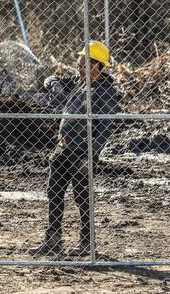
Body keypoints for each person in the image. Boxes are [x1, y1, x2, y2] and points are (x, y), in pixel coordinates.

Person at [29, 41, 119, 257]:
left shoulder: (105, 93)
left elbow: (104, 130)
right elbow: (49, 79)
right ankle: (53, 241)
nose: (78, 69)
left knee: (82, 197)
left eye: (82, 65)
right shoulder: (79, 83)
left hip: (82, 153)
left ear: (96, 66)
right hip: (63, 149)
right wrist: (54, 84)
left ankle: (87, 244)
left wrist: (91, 156)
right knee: (54, 191)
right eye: (78, 64)